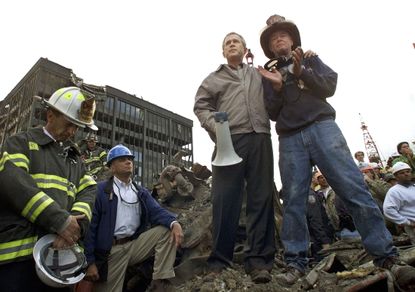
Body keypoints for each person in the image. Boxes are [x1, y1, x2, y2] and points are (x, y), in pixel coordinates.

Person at [258, 14, 415, 288]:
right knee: (294, 202)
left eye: (282, 34)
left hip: (323, 128)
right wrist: (278, 86)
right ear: (270, 47)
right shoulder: (268, 73)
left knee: (354, 189)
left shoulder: (309, 59)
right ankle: (295, 264)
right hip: (290, 139)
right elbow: (271, 113)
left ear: (292, 39)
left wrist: (302, 72)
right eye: (273, 38)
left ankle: (386, 256)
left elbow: (329, 86)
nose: (278, 39)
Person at [194, 32, 276, 283]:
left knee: (261, 199)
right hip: (229, 141)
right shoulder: (214, 78)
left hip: (260, 136)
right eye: (227, 42)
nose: (231, 44)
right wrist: (216, 127)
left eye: (236, 41)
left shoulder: (258, 74)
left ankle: (259, 261)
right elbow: (200, 106)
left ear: (245, 48)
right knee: (224, 200)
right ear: (223, 51)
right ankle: (219, 259)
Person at [0, 86, 98, 291]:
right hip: (17, 259)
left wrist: (73, 225)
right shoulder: (20, 143)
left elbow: (88, 191)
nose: (72, 132)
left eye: (77, 127)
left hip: (59, 262)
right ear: (50, 115)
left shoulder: (75, 160)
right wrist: (60, 221)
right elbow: (13, 184)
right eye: (69, 124)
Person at [83, 144, 183, 292]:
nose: (128, 162)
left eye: (129, 159)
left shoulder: (139, 191)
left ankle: (159, 281)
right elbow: (90, 228)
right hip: (109, 252)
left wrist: (174, 223)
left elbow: (156, 211)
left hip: (133, 246)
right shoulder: (100, 190)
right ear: (112, 167)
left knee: (166, 231)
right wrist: (89, 262)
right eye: (122, 159)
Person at [383, 162, 415, 244]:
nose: (406, 174)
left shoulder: (413, 187)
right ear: (396, 176)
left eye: (408, 171)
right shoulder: (394, 191)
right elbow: (388, 210)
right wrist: (407, 222)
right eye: (402, 173)